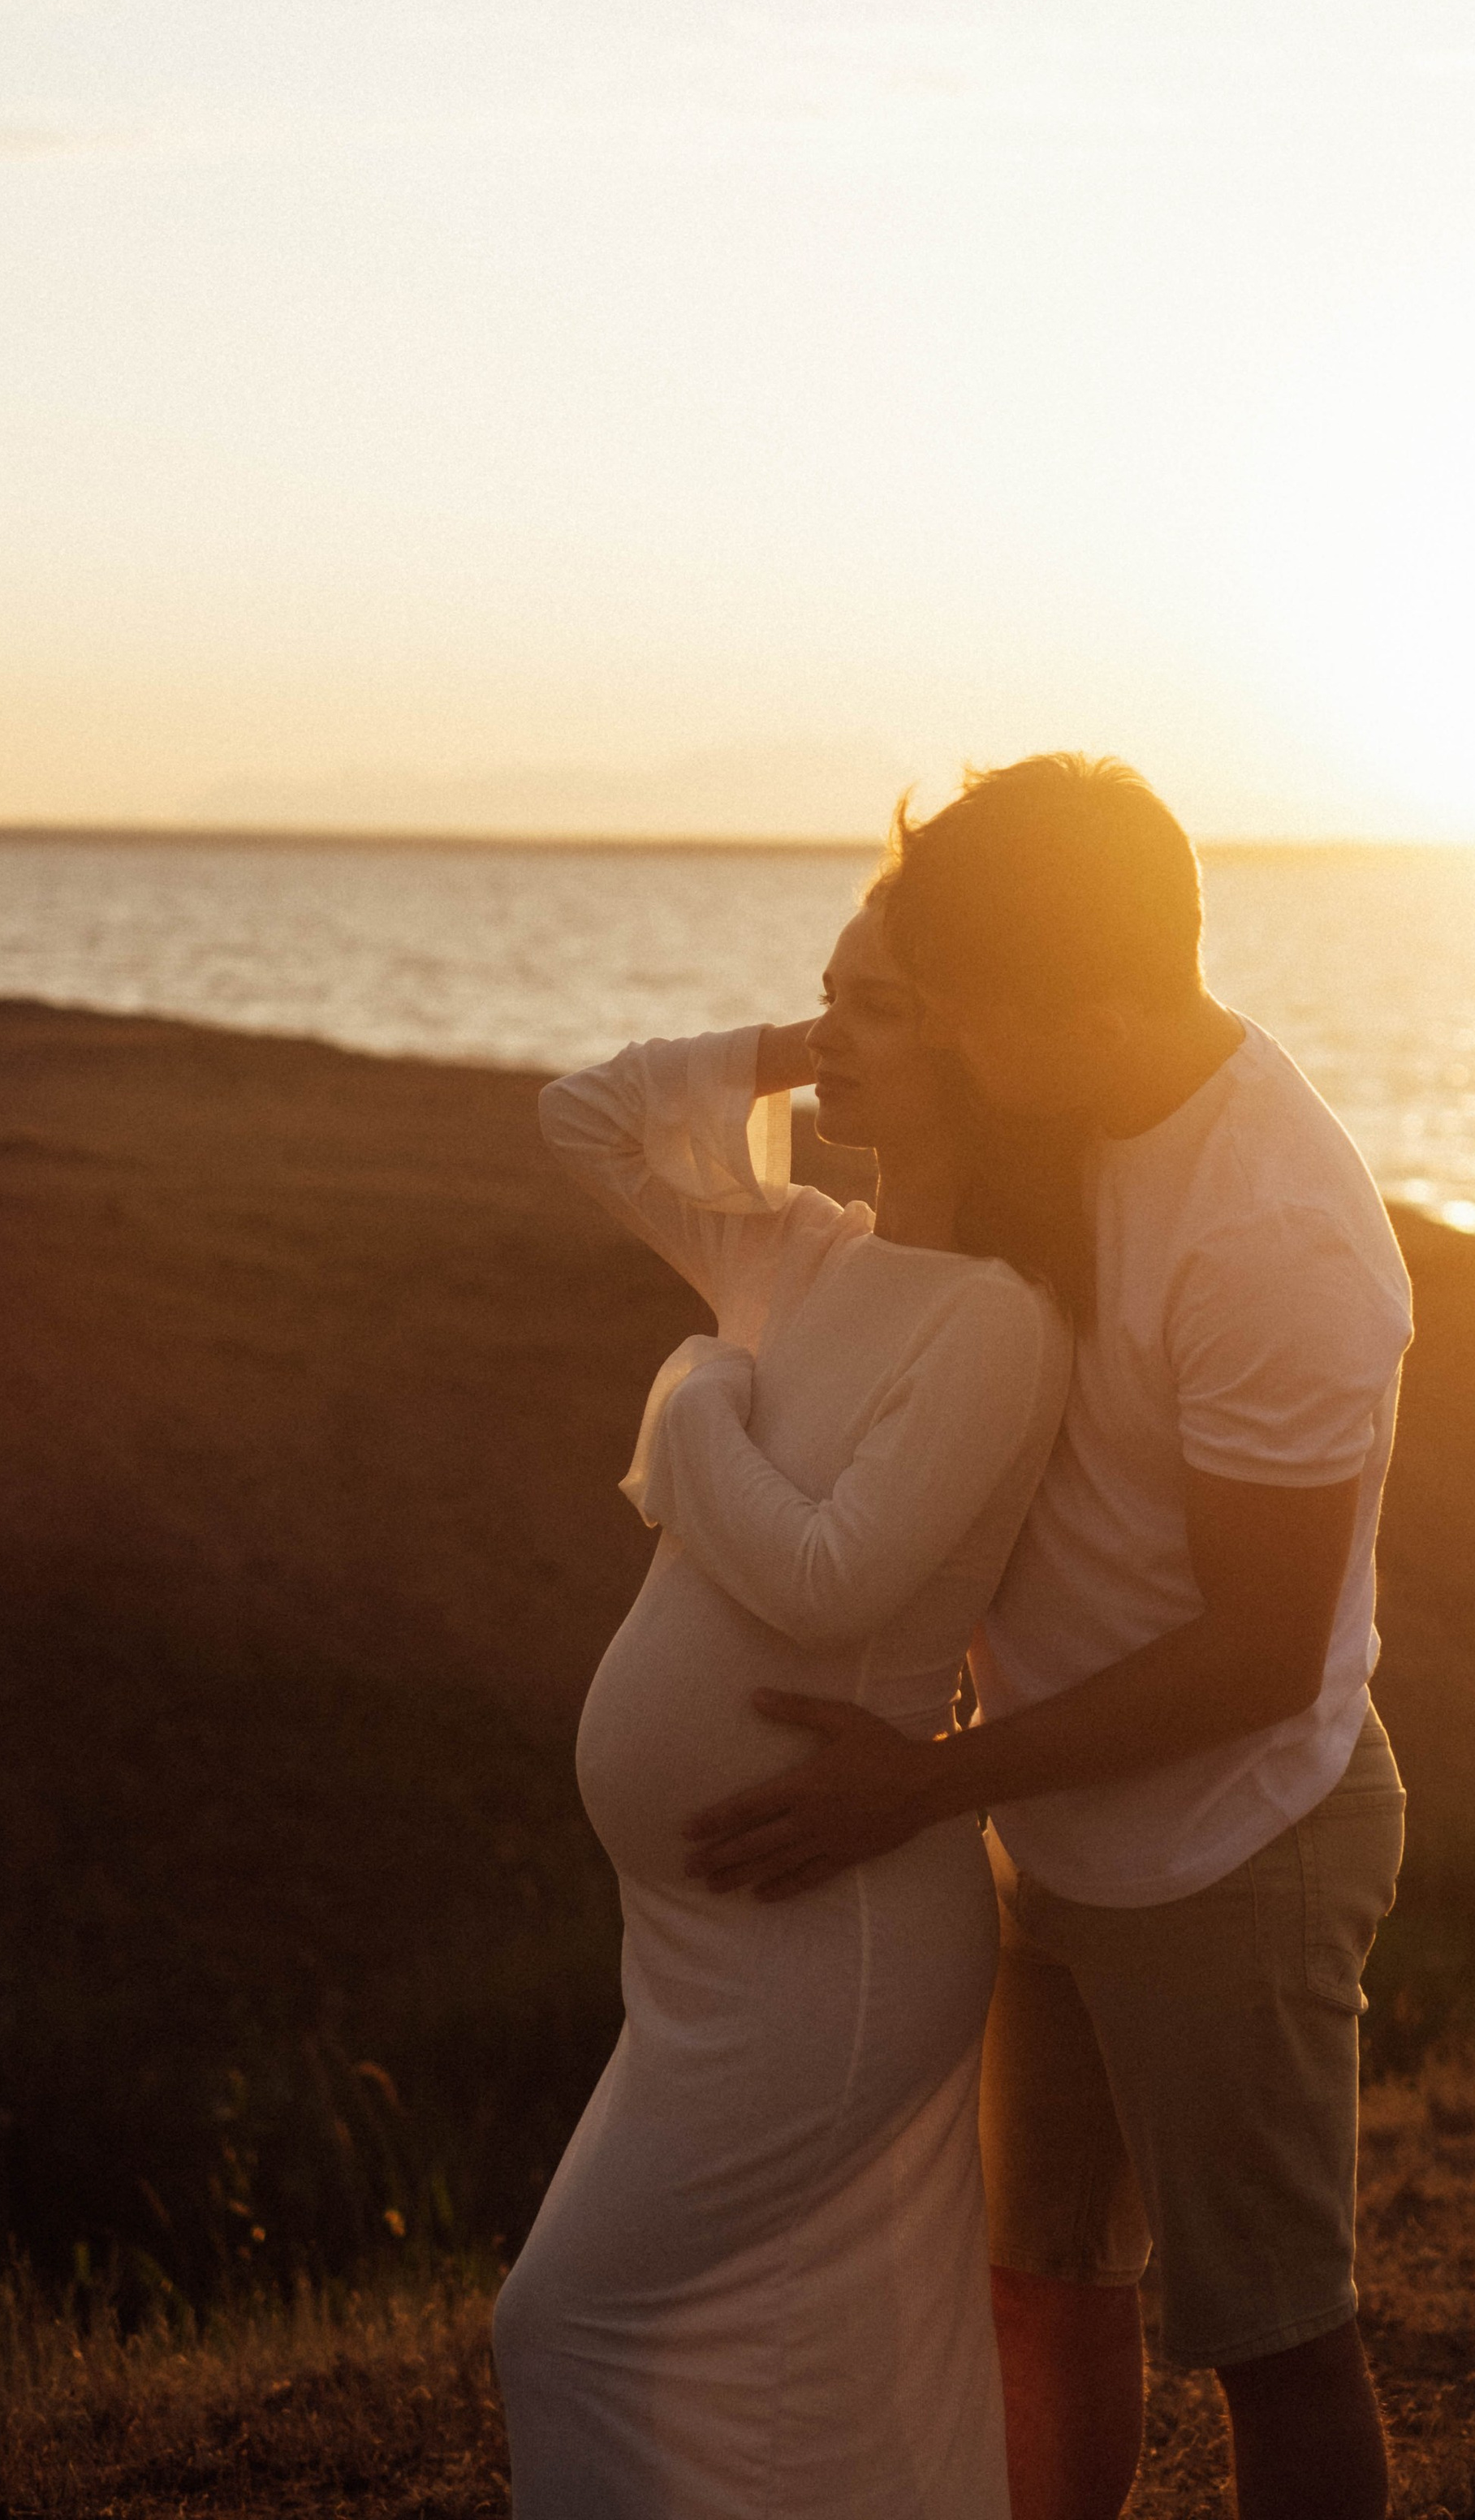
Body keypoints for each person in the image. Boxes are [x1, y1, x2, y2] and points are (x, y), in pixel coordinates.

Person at [685, 756, 1414, 2520]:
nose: (941, 1042)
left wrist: (923, 1788)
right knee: (1040, 2285)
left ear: (1083, 1004)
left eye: (961, 1011)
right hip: (1051, 1821)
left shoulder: (1273, 1234)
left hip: (1227, 1848)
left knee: (1268, 2341)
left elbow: (1255, 1653)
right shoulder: (1068, 1105)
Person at [491, 894, 1079, 2518]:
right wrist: (783, 1044)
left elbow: (829, 1581)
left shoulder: (999, 1324)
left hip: (830, 1943)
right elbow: (586, 1117)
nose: (826, 1039)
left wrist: (689, 1404)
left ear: (974, 1048)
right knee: (789, 2366)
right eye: (821, 999)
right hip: (704, 1938)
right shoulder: (799, 1247)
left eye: (873, 1009)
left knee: (569, 2321)